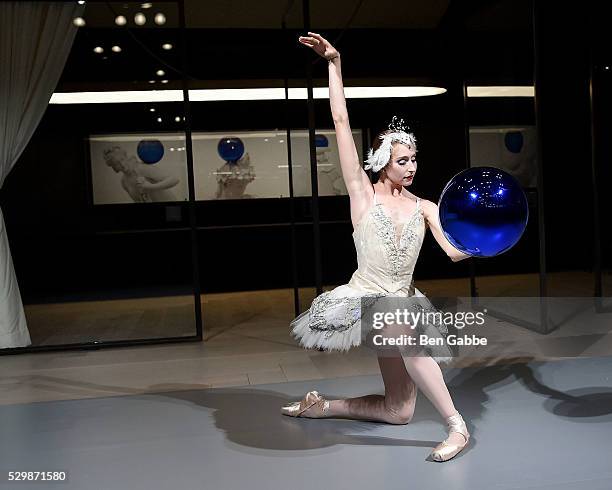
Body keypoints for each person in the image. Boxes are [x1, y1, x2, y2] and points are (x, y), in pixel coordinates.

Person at [281, 32, 472, 463]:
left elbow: (457, 252)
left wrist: (488, 241)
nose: (411, 167)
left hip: (403, 302)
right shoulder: (362, 195)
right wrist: (335, 64)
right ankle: (457, 427)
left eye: (414, 160)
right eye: (402, 161)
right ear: (383, 161)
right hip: (368, 299)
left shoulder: (426, 206)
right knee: (406, 339)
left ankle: (322, 405)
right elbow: (341, 121)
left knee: (399, 410)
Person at [103, 146, 180, 202]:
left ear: (126, 157)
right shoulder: (124, 182)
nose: (122, 164)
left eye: (122, 159)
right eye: (117, 163)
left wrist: (151, 186)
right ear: (114, 167)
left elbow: (175, 179)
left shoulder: (142, 168)